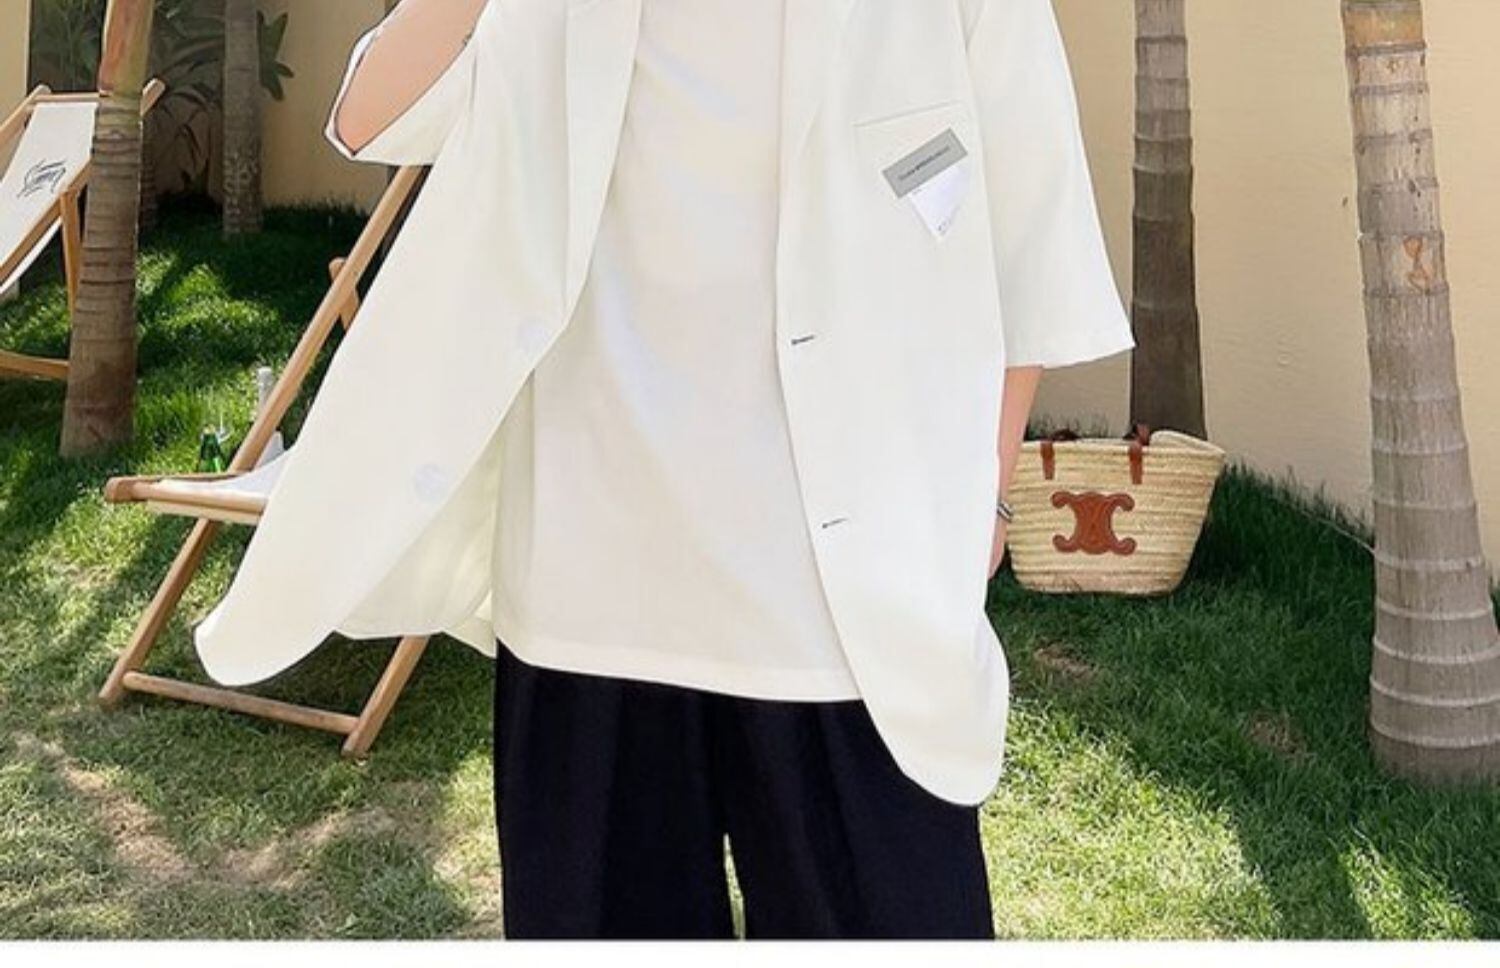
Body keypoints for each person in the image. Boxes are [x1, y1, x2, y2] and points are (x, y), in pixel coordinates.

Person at [202, 0, 1135, 939]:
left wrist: (987, 496)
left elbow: (1032, 232)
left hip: (839, 612)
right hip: (590, 598)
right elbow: (371, 116)